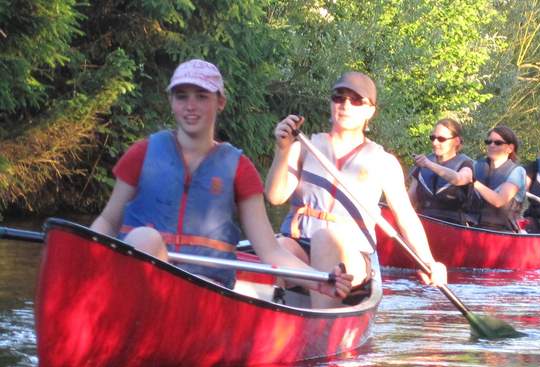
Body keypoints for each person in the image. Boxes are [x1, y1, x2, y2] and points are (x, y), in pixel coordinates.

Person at [90, 59, 351, 299]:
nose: (190, 106)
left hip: (205, 293)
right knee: (143, 238)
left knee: (146, 240)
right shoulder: (142, 154)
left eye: (202, 97)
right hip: (137, 286)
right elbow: (107, 221)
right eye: (182, 97)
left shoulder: (239, 168)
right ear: (171, 102)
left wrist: (319, 281)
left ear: (220, 102)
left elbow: (270, 250)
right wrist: (81, 258)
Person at [264, 71, 447, 308]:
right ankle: (274, 312)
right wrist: (282, 150)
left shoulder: (383, 161)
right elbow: (275, 196)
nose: (346, 105)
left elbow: (405, 217)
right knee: (275, 246)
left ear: (370, 110)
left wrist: (429, 261)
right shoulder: (303, 147)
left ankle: (322, 325)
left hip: (352, 257)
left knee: (325, 238)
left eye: (356, 100)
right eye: (339, 98)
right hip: (299, 247)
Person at [408, 118, 474, 224]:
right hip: (423, 223)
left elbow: (459, 179)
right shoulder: (423, 164)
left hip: (453, 227)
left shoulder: (466, 164)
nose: (435, 143)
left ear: (456, 141)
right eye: (432, 138)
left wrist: (429, 164)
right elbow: (409, 199)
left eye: (441, 139)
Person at [465, 126, 526, 232]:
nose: (491, 145)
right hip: (474, 231)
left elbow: (499, 201)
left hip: (504, 235)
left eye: (498, 143)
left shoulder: (517, 172)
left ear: (510, 148)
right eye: (488, 142)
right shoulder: (475, 166)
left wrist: (474, 182)